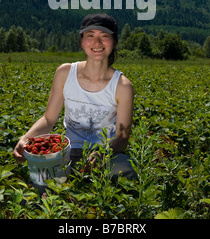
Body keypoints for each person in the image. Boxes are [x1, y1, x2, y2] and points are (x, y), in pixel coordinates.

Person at [13, 13, 137, 181]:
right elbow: (48, 119)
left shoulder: (122, 86)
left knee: (125, 171)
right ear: (81, 42)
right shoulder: (65, 73)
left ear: (114, 42)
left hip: (107, 154)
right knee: (39, 181)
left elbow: (122, 139)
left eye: (104, 36)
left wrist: (102, 154)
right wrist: (26, 138)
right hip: (68, 151)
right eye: (90, 36)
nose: (97, 42)